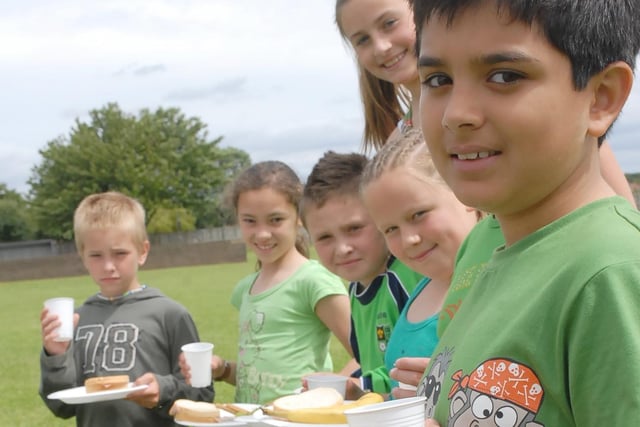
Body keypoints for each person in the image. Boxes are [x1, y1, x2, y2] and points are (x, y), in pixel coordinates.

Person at [411, 0, 640, 424]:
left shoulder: (612, 274)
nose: (457, 114)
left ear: (601, 97)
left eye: (504, 76)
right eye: (438, 79)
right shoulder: (485, 246)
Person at [334, 0, 637, 207]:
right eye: (361, 40)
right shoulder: (396, 142)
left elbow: (614, 205)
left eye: (389, 23)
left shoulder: (563, 122)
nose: (381, 46)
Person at [182, 160, 353, 405]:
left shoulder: (313, 281)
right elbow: (256, 376)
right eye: (250, 221)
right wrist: (222, 370)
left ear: (299, 217)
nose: (262, 233)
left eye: (275, 220)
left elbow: (365, 354)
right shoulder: (245, 289)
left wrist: (327, 391)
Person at [39, 191, 212, 427]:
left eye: (120, 253)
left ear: (142, 251)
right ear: (82, 257)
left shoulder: (170, 314)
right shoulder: (80, 319)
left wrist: (163, 390)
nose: (108, 266)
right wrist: (56, 356)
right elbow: (61, 406)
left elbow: (202, 396)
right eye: (96, 255)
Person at [360, 130, 479, 396]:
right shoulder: (420, 290)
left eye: (418, 214)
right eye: (390, 229)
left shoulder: (496, 283)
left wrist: (444, 391)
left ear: (463, 193)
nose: (409, 239)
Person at [301, 150, 423, 396]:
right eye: (325, 237)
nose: (343, 248)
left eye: (354, 228)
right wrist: (341, 381)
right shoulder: (356, 290)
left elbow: (424, 366)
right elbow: (372, 367)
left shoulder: (410, 276)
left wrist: (358, 386)